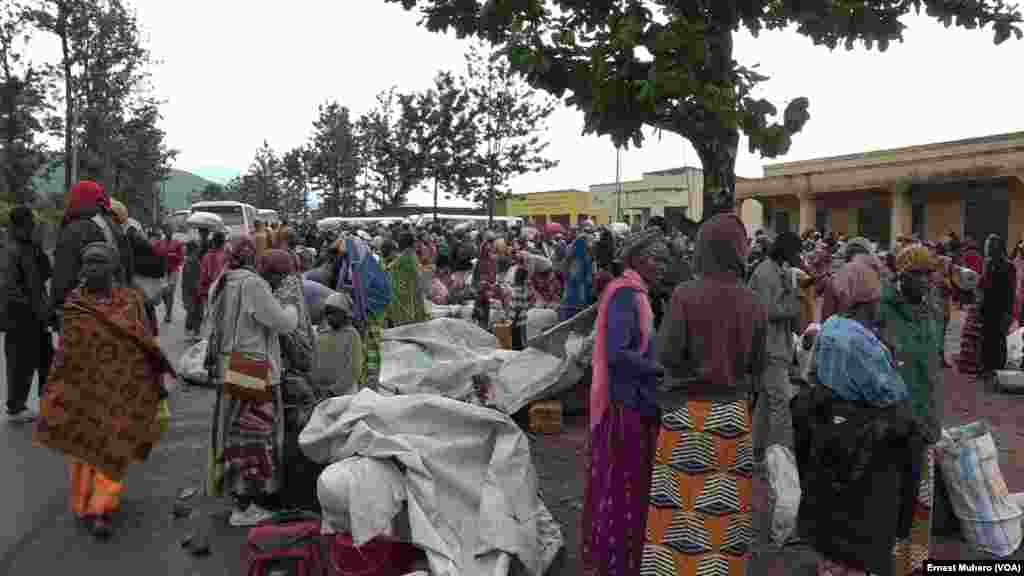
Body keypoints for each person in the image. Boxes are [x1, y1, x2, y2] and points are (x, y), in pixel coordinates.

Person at [642, 214, 767, 575]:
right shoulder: (754, 302)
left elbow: (665, 355)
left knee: (677, 516)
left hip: (686, 415)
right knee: (722, 521)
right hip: (731, 416)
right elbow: (758, 367)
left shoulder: (685, 295)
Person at [797, 257, 922, 576]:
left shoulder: (832, 327)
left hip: (830, 437)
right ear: (868, 300)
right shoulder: (861, 342)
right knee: (860, 527)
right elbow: (894, 399)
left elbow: (811, 374)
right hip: (864, 445)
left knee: (833, 523)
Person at [55, 242, 172, 539]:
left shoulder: (130, 301)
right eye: (88, 262)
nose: (92, 268)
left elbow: (145, 340)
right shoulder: (74, 302)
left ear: (113, 269)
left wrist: (154, 379)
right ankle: (88, 500)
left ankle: (102, 509)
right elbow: (65, 347)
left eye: (99, 262)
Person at [581, 229, 665, 576]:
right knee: (623, 485)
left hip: (636, 400)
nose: (662, 265)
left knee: (632, 484)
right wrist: (657, 368)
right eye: (656, 258)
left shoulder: (638, 295)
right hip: (624, 405)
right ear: (637, 260)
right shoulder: (625, 296)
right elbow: (617, 353)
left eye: (664, 259)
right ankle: (617, 561)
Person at [205, 236, 299, 527]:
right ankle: (245, 506)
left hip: (228, 365)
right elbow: (282, 323)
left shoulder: (221, 281)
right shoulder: (251, 284)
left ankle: (241, 499)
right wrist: (291, 304)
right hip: (250, 366)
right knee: (252, 440)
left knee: (236, 436)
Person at [880, 244, 943, 574]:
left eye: (928, 274)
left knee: (922, 502)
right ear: (901, 277)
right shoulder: (883, 312)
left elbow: (933, 369)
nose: (926, 281)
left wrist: (934, 420)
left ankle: (915, 563)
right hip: (895, 424)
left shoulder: (932, 311)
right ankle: (890, 562)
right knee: (893, 502)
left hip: (927, 422)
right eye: (918, 275)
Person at [748, 230, 802, 469]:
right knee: (780, 403)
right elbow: (766, 310)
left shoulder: (775, 270)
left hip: (776, 346)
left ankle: (755, 452)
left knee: (766, 403)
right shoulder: (766, 272)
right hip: (769, 347)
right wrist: (793, 303)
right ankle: (782, 458)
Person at [50, 180, 132, 324]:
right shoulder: (115, 226)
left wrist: (57, 307)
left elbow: (63, 274)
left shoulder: (74, 230)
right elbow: (127, 266)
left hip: (82, 312)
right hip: (116, 308)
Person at [4, 206, 53, 423]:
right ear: (19, 226)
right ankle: (16, 407)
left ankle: (48, 403)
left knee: (46, 358)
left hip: (37, 313)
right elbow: (7, 287)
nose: (33, 228)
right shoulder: (10, 249)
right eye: (31, 224)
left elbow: (46, 273)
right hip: (20, 316)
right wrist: (26, 308)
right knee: (20, 362)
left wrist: (39, 248)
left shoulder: (30, 247)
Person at [979, 234, 1016, 385]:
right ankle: (985, 368)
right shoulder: (987, 263)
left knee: (999, 340)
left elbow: (1011, 291)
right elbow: (983, 284)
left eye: (990, 246)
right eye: (986, 245)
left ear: (998, 248)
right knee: (986, 338)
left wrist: (1008, 313)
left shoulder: (1008, 266)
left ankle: (997, 370)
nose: (986, 248)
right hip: (987, 307)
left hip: (1001, 309)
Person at [312, 292, 364, 397]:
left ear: (345, 314)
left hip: (345, 393)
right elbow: (315, 362)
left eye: (333, 313)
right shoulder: (322, 335)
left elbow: (354, 369)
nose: (329, 317)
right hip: (322, 392)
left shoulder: (351, 335)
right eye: (327, 313)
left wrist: (333, 390)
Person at [385, 231, 428, 328]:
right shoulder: (409, 256)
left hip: (401, 293)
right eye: (415, 242)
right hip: (408, 295)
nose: (417, 244)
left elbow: (389, 268)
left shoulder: (405, 256)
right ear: (411, 243)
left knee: (404, 322)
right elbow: (417, 275)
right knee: (410, 324)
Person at [559, 232, 594, 322]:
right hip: (580, 296)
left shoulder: (568, 259)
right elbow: (588, 280)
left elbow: (564, 275)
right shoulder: (586, 259)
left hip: (568, 297)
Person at [153, 226, 184, 324]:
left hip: (173, 271)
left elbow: (181, 258)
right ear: (164, 231)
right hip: (162, 272)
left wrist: (174, 256)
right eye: (167, 230)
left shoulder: (177, 243)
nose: (169, 232)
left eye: (170, 230)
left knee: (170, 293)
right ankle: (168, 310)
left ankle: (168, 314)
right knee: (164, 293)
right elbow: (154, 255)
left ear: (172, 231)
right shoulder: (159, 243)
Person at [198, 231, 229, 324]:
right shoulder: (226, 256)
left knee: (212, 317)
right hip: (223, 290)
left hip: (210, 290)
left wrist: (202, 291)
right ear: (223, 243)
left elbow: (204, 275)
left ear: (213, 243)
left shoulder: (207, 256)